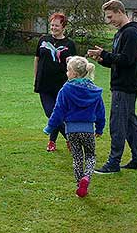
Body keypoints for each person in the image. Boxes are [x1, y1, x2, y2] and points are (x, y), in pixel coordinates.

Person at [87, 0, 137, 174]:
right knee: (129, 123)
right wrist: (103, 59)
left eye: (110, 16)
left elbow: (127, 60)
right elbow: (118, 61)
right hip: (123, 83)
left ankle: (113, 162)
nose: (109, 20)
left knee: (117, 124)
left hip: (125, 86)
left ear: (120, 11)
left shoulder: (131, 34)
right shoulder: (121, 33)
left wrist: (106, 54)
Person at [45, 56, 105, 197]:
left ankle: (80, 184)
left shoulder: (65, 90)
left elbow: (58, 111)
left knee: (77, 157)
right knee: (90, 156)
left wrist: (50, 127)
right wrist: (100, 127)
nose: (66, 73)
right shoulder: (94, 91)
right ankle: (86, 177)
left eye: (68, 70)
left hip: (71, 130)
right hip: (88, 130)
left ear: (74, 73)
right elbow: (100, 111)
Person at [34, 12, 77, 152]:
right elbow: (37, 59)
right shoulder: (43, 40)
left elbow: (73, 65)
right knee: (51, 113)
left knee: (59, 113)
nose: (53, 28)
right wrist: (36, 77)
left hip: (62, 85)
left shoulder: (69, 44)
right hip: (44, 83)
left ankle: (52, 141)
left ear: (63, 27)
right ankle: (70, 138)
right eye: (52, 25)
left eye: (56, 25)